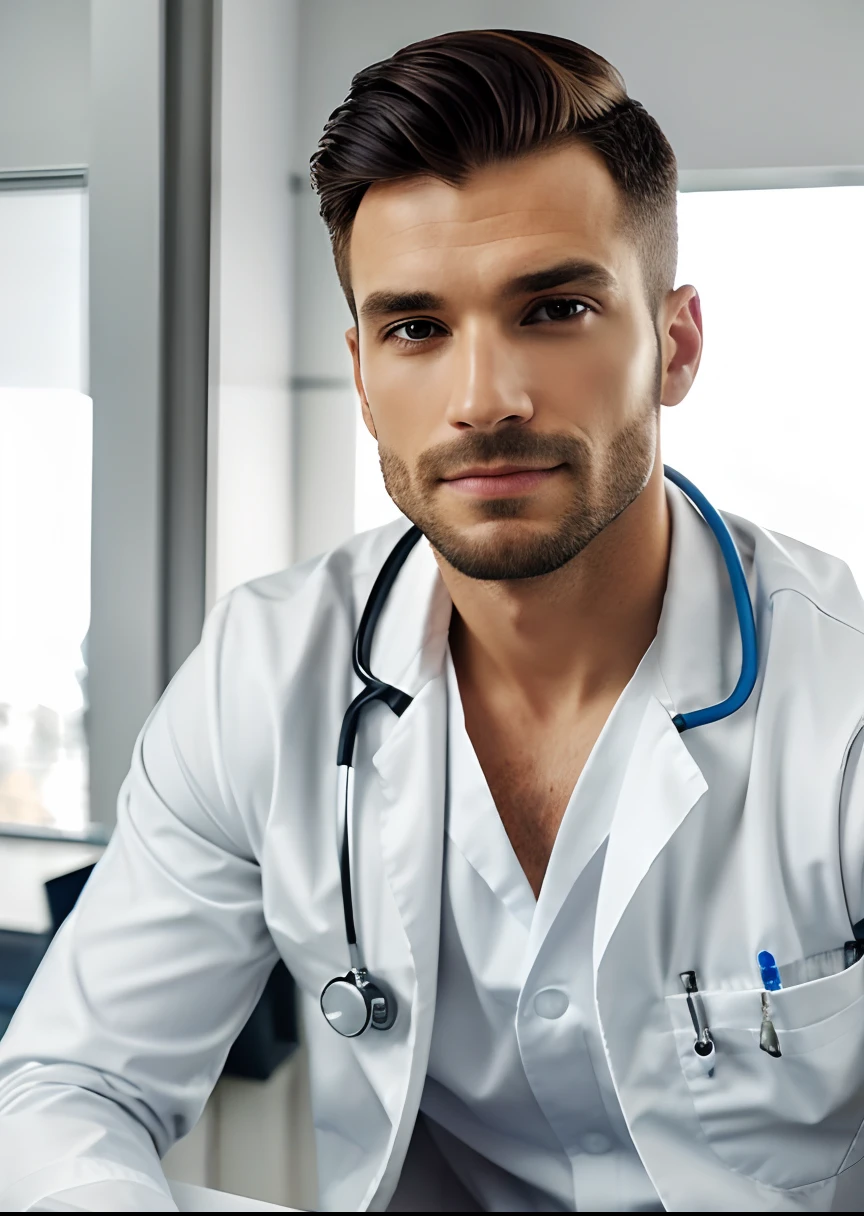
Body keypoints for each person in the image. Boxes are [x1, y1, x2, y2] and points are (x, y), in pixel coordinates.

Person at [2, 26, 864, 1214]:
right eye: (416, 329)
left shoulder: (845, 703)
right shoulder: (266, 672)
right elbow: (66, 1085)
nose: (482, 401)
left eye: (554, 308)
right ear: (362, 374)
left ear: (674, 342)